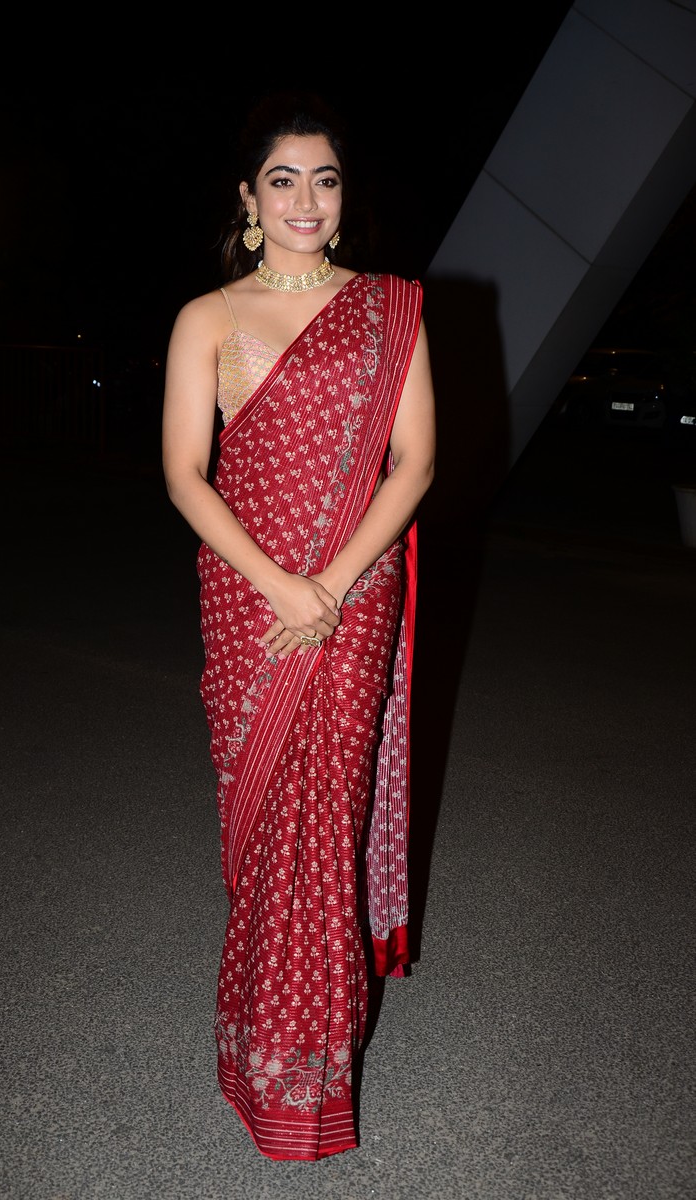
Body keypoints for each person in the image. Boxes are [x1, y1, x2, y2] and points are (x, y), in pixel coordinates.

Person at [161, 91, 436, 1162]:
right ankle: (252, 1044)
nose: (306, 199)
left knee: (327, 819)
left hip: (355, 600)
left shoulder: (391, 308)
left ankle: (308, 1073)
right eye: (284, 179)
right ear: (248, 198)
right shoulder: (209, 318)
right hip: (246, 598)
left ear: (342, 194)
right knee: (264, 819)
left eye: (324, 178)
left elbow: (414, 463)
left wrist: (331, 580)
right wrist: (280, 585)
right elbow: (186, 474)